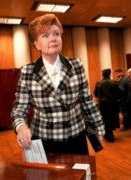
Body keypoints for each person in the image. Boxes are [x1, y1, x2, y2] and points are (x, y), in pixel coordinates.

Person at [11, 14, 105, 155]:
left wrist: (99, 127)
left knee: (78, 176)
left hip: (75, 137)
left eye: (56, 33)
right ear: (36, 44)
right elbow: (18, 110)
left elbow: (87, 101)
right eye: (45, 35)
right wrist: (21, 127)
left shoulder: (76, 65)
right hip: (43, 140)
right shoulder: (28, 72)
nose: (53, 38)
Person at [94, 69, 120, 142]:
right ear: (110, 74)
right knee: (112, 118)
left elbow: (96, 94)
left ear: (103, 74)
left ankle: (109, 134)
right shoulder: (114, 82)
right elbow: (119, 93)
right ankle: (109, 133)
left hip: (103, 104)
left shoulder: (99, 83)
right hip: (113, 104)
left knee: (105, 119)